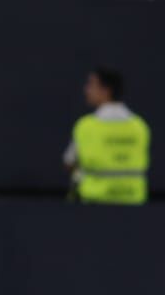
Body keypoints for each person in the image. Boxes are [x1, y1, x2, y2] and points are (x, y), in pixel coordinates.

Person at [63, 67, 149, 205]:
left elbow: (69, 163)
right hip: (133, 203)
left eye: (91, 85)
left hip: (95, 202)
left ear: (106, 90)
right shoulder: (140, 126)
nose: (86, 90)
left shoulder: (85, 126)